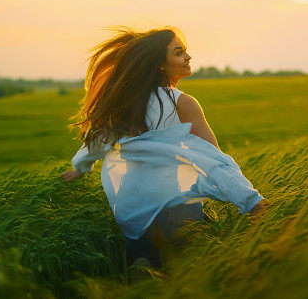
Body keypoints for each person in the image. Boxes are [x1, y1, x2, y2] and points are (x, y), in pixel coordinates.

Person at [60, 26, 271, 282]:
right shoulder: (183, 103)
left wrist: (79, 169)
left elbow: (94, 146)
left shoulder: (124, 104)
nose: (188, 57)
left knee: (145, 275)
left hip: (132, 209)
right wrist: (252, 201)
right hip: (174, 205)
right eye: (179, 52)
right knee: (186, 278)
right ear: (160, 64)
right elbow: (215, 161)